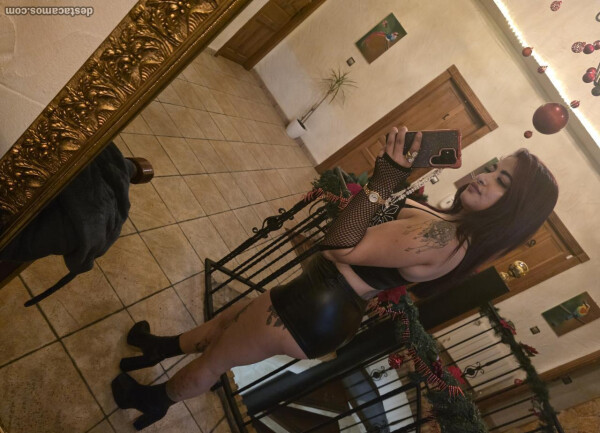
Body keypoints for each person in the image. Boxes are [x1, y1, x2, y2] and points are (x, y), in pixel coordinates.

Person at [111, 126, 559, 430]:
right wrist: (397, 174)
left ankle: (153, 401)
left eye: (502, 182)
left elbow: (339, 247)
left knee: (216, 360)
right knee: (227, 323)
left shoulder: (444, 236)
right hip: (319, 301)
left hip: (314, 306)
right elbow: (378, 222)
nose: (484, 177)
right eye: (493, 168)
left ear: (513, 209)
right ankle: (158, 348)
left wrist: (386, 177)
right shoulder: (451, 226)